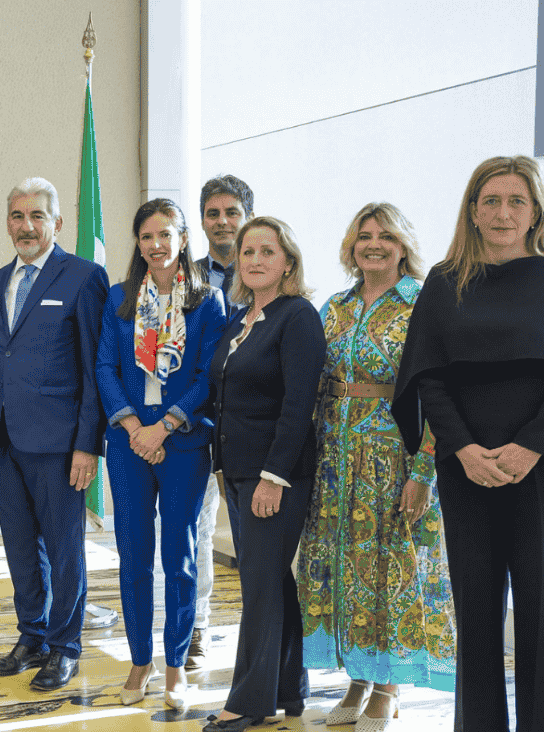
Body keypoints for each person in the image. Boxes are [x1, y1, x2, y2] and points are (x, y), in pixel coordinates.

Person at [392, 156, 544, 732]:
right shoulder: (445, 281)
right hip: (466, 467)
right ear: (473, 211)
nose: (503, 213)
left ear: (535, 212)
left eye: (516, 201)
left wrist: (530, 447)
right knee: (476, 618)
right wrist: (464, 451)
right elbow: (427, 377)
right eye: (491, 201)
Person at [298, 203, 456, 731]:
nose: (374, 244)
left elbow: (439, 391)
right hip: (335, 464)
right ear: (351, 245)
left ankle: (386, 689)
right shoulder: (336, 307)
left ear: (403, 245)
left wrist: (424, 472)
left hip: (393, 461)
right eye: (364, 235)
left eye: (386, 236)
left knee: (389, 573)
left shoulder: (422, 305)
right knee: (346, 574)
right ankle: (357, 679)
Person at [95, 199, 227, 708]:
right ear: (138, 242)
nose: (156, 246)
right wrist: (133, 426)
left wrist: (164, 426)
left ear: (183, 239)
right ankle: (139, 661)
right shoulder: (119, 298)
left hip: (184, 442)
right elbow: (105, 366)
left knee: (180, 556)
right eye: (147, 236)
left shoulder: (208, 302)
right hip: (129, 444)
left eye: (165, 235)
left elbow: (206, 379)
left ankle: (175, 666)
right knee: (133, 556)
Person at [0, 177, 109, 691]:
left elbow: (95, 368)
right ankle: (30, 635)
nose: (26, 226)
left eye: (37, 216)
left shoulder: (83, 277)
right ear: (8, 223)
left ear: (57, 223)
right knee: (18, 546)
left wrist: (86, 444)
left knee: (64, 549)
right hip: (3, 436)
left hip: (59, 443)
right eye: (17, 216)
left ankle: (64, 646)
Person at [204, 216, 325, 732]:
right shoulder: (238, 321)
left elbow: (299, 405)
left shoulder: (296, 317)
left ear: (288, 262)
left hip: (274, 475)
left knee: (256, 586)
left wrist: (274, 477)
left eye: (267, 252)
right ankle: (288, 690)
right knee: (272, 581)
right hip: (236, 470)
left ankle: (248, 702)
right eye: (248, 251)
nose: (254, 260)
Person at [188, 174, 253, 671]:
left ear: (246, 215)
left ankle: (263, 634)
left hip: (253, 426)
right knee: (198, 529)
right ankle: (197, 627)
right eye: (213, 213)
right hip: (196, 423)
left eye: (232, 212)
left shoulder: (268, 270)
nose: (223, 221)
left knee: (258, 538)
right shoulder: (184, 277)